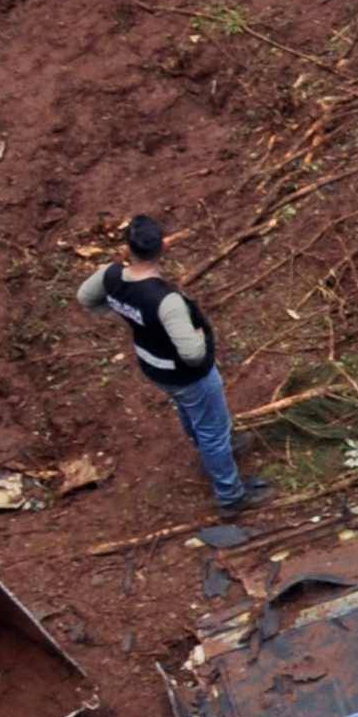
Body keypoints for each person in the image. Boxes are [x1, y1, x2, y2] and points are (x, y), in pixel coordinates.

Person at [77, 217, 269, 518]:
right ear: (163, 247)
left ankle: (218, 447)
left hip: (153, 366)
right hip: (187, 374)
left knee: (189, 408)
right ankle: (230, 496)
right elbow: (192, 355)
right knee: (212, 431)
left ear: (128, 247)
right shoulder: (165, 301)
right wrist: (200, 337)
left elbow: (84, 298)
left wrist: (117, 311)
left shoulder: (110, 276)